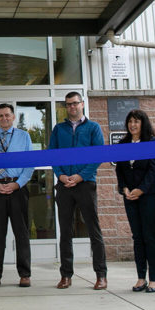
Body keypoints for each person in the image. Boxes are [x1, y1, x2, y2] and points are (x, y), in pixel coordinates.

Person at [50, 91, 107, 290]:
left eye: (75, 103)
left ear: (82, 104)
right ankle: (66, 275)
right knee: (65, 231)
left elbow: (98, 155)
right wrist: (62, 175)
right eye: (68, 104)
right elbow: (53, 155)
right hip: (64, 185)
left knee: (94, 230)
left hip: (85, 184)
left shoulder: (93, 128)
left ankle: (101, 275)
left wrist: (81, 176)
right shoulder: (59, 129)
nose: (72, 107)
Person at [0, 103, 33, 288]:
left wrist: (17, 184)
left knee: (22, 233)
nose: (4, 118)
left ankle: (25, 274)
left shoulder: (24, 136)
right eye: (1, 116)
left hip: (18, 188)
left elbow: (30, 165)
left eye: (7, 115)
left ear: (13, 117)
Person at [114, 109, 155, 293]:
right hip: (130, 197)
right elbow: (120, 170)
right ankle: (141, 278)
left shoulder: (152, 142)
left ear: (143, 123)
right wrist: (125, 189)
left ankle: (154, 280)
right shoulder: (123, 143)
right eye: (130, 121)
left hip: (149, 196)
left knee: (150, 237)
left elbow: (153, 170)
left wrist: (140, 190)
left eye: (136, 121)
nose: (133, 124)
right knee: (137, 237)